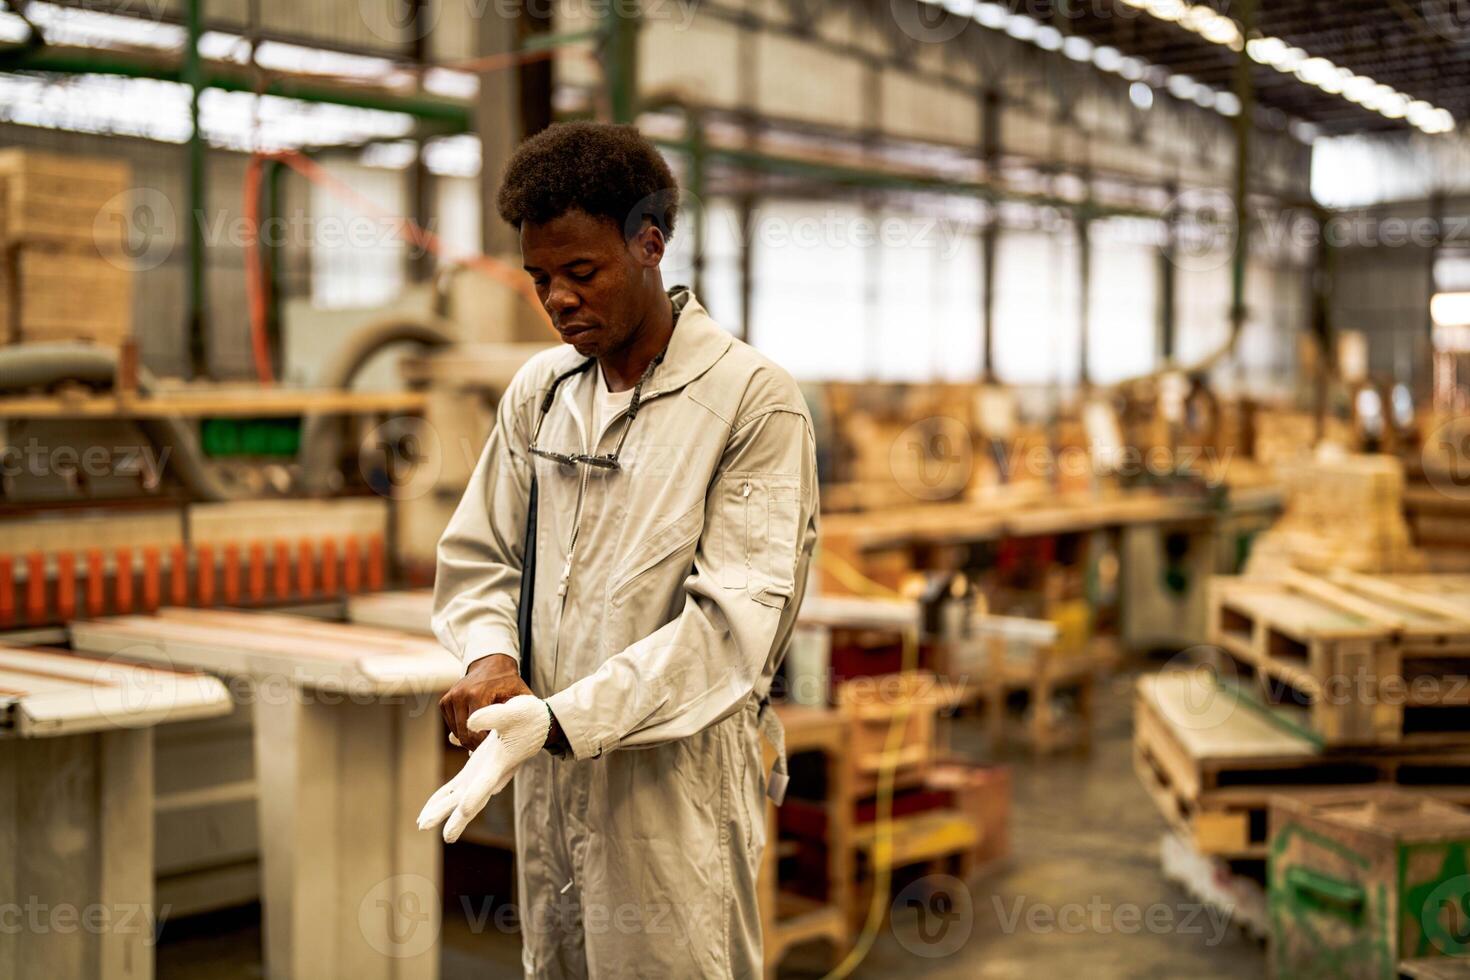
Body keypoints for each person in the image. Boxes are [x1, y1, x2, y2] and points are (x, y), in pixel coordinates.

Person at [418, 121, 819, 979]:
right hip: (546, 773)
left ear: (650, 244)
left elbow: (729, 633)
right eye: (540, 279)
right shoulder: (541, 395)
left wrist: (564, 720)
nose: (559, 299)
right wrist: (491, 659)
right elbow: (483, 555)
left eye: (581, 273)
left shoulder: (751, 401)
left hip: (671, 786)